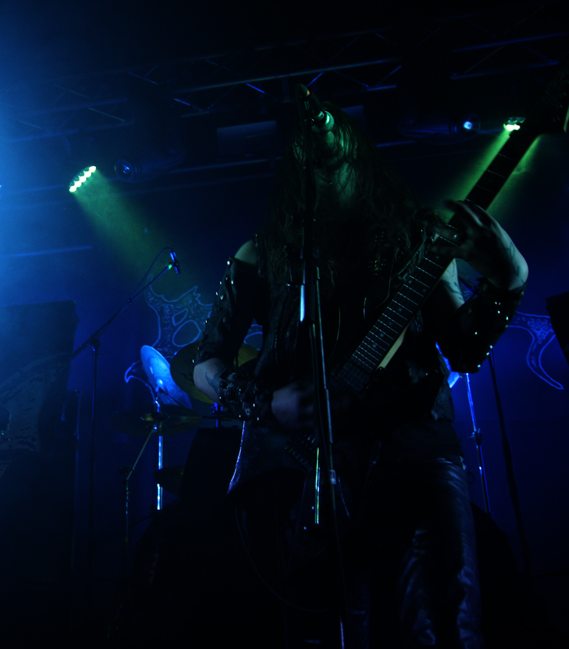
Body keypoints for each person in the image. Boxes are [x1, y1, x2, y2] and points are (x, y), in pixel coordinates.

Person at [192, 104, 527, 647]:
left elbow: (464, 350)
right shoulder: (262, 252)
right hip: (302, 466)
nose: (327, 170)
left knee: (445, 619)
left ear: (360, 159)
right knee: (321, 625)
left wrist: (508, 280)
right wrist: (264, 402)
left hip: (414, 450)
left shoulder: (419, 240)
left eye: (337, 159)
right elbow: (206, 364)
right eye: (314, 163)